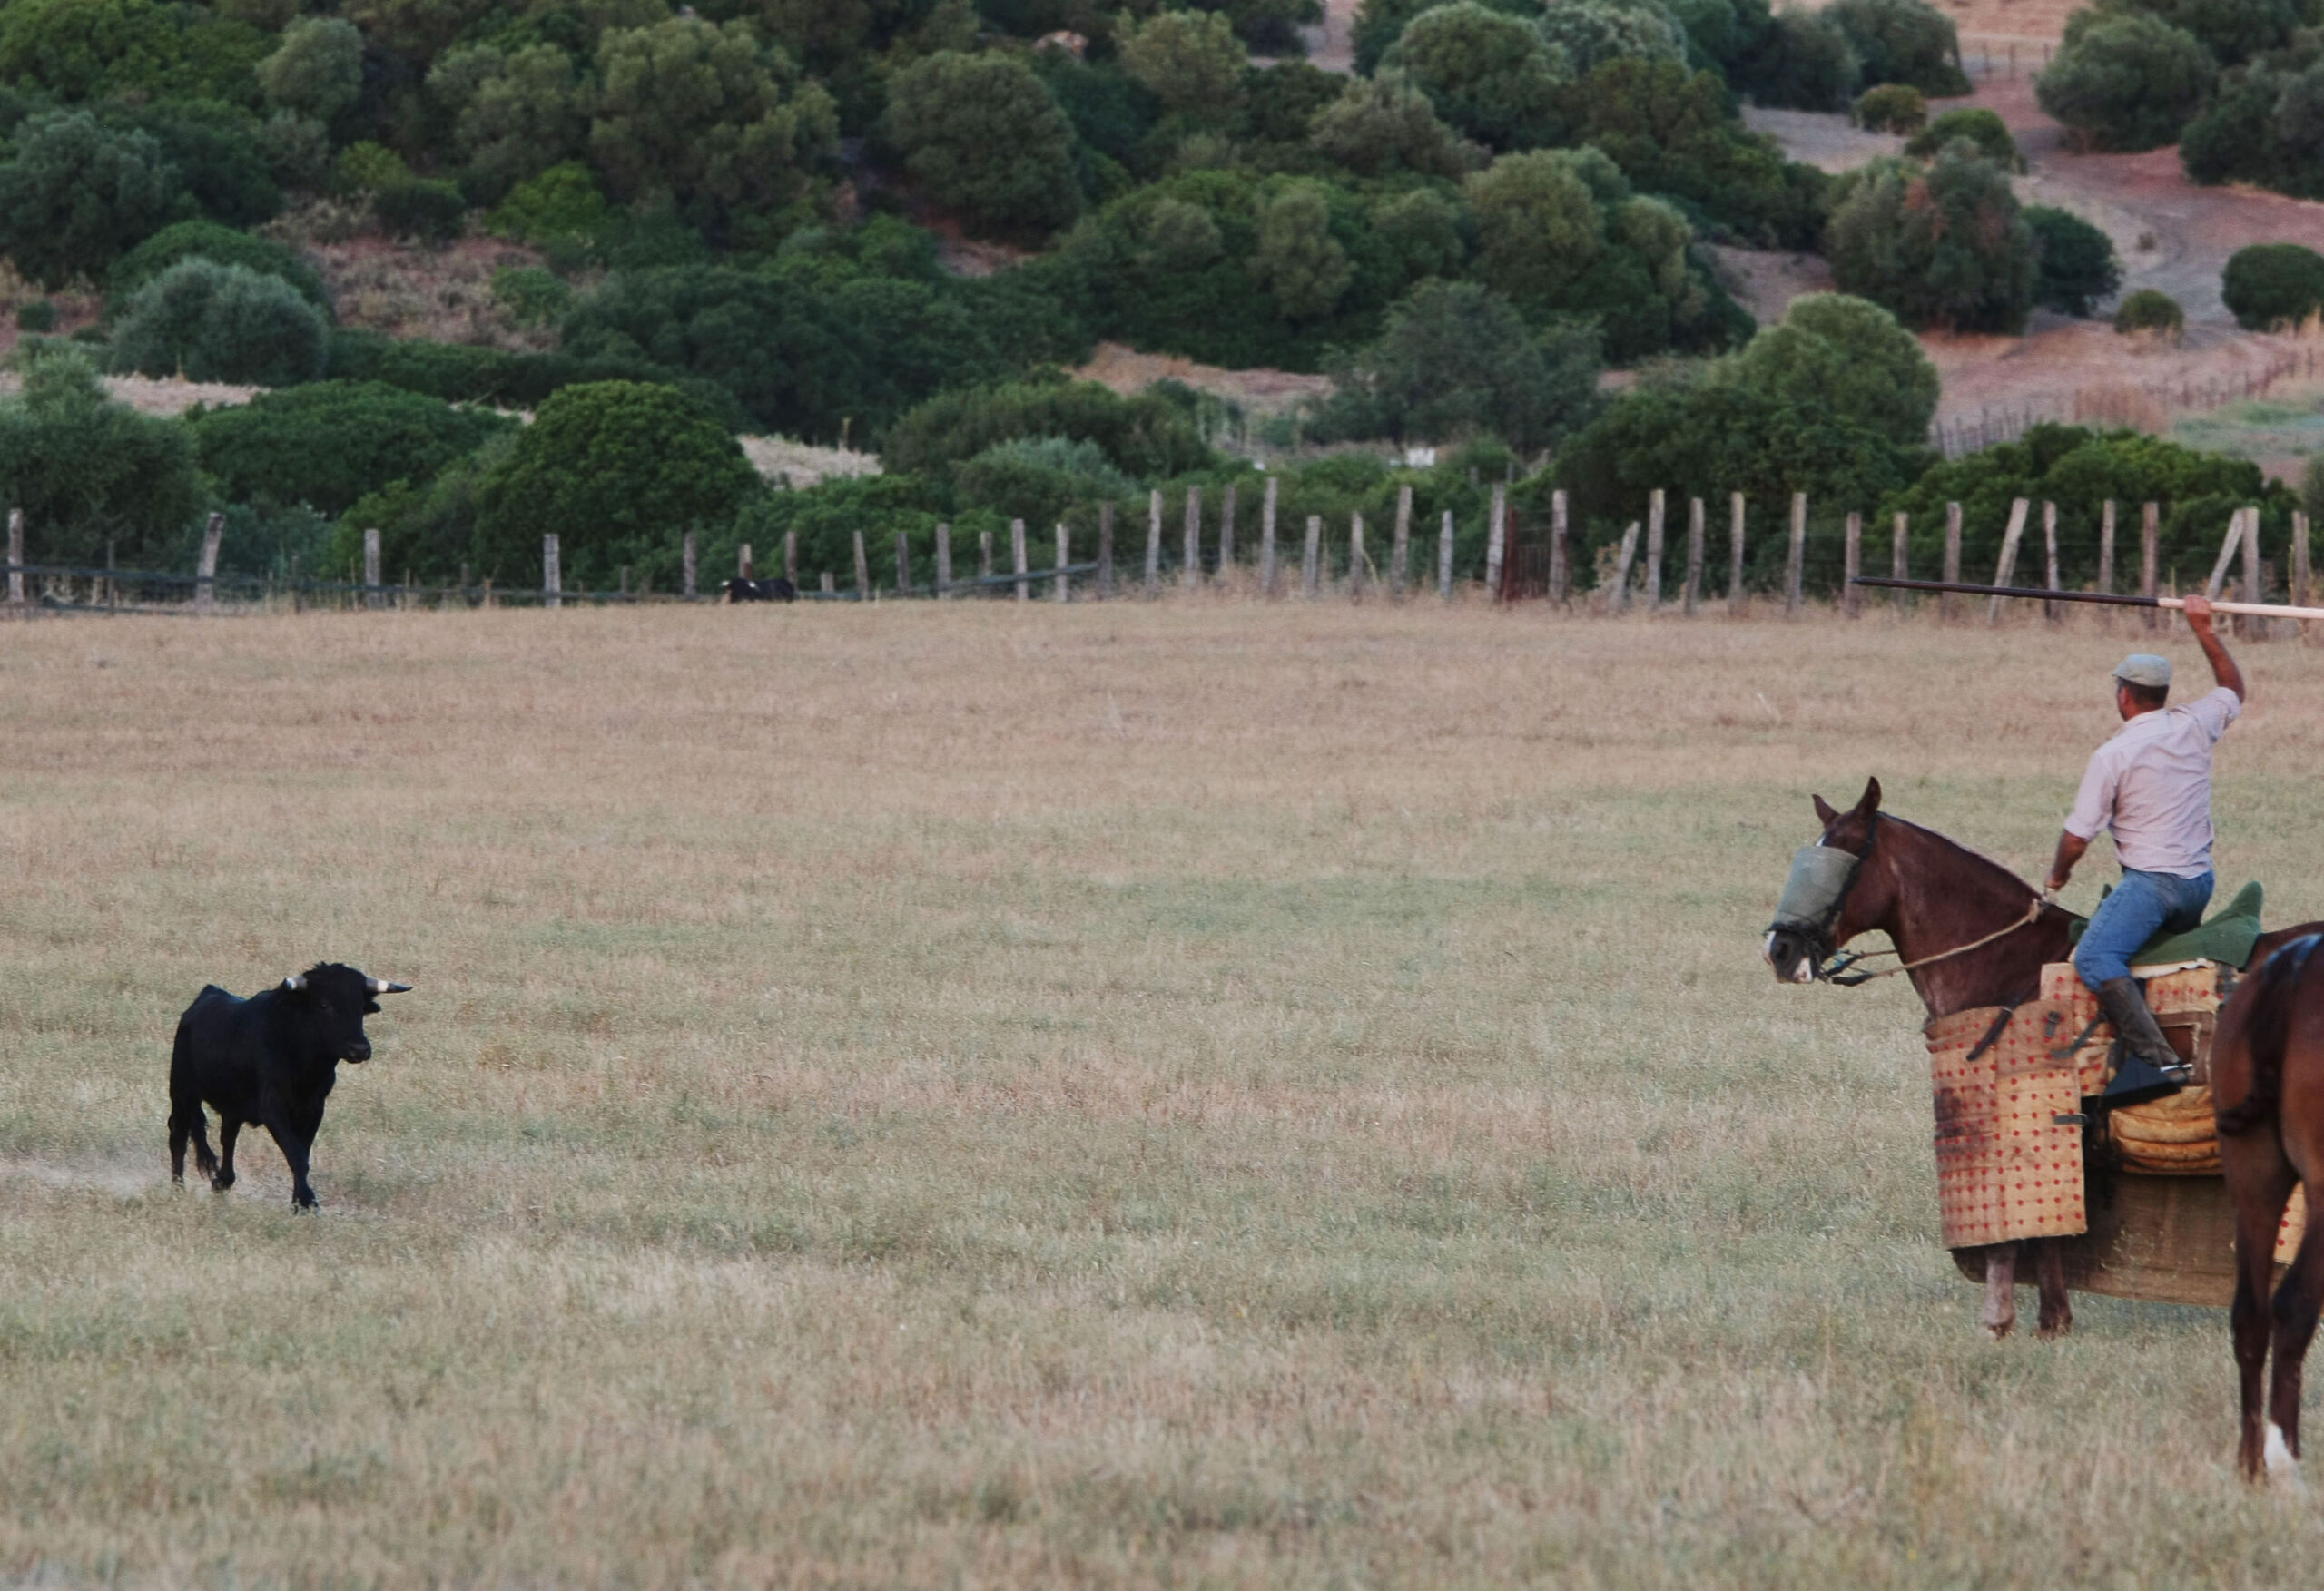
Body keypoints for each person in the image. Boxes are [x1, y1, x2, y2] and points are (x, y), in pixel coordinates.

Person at [2045, 593, 2246, 1089]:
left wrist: (2058, 876)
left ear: (2124, 695)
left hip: (2154, 887)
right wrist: (2204, 629)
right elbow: (2232, 689)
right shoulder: (2195, 724)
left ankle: (2159, 1063)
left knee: (2094, 957)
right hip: (2198, 884)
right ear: (2161, 693)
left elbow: (2078, 836)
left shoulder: (2112, 754)